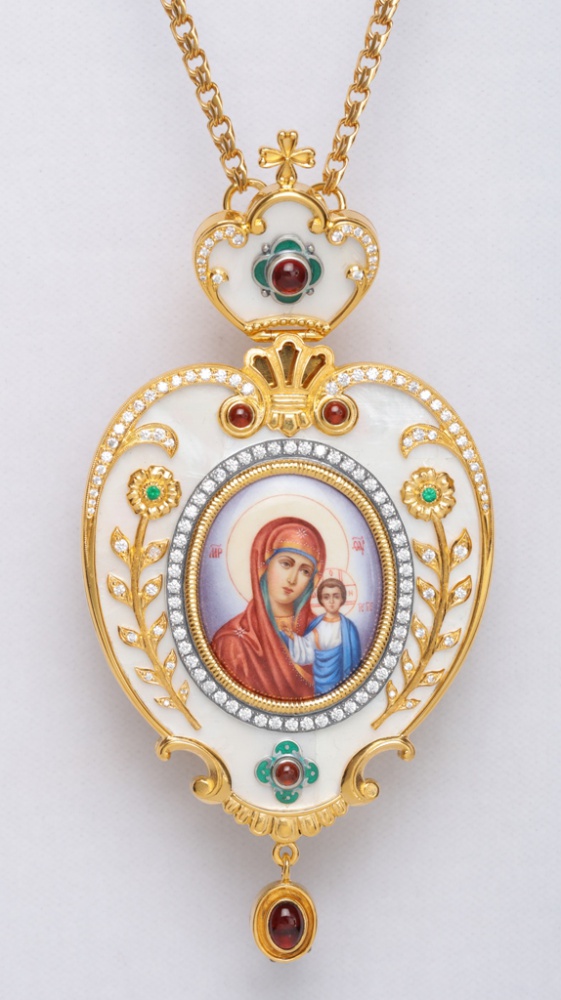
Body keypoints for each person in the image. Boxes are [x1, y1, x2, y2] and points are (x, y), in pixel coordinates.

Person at [212, 517, 326, 700]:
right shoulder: (234, 642)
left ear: (313, 580)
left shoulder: (322, 631)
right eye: (286, 564)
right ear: (263, 566)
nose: (292, 579)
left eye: (305, 571)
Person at [287, 578, 361, 695]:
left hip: (342, 681)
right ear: (321, 600)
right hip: (320, 683)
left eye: (336, 596)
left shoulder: (349, 628)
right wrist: (292, 637)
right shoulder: (317, 624)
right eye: (326, 597)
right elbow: (307, 650)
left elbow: (356, 660)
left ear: (342, 599)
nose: (331, 601)